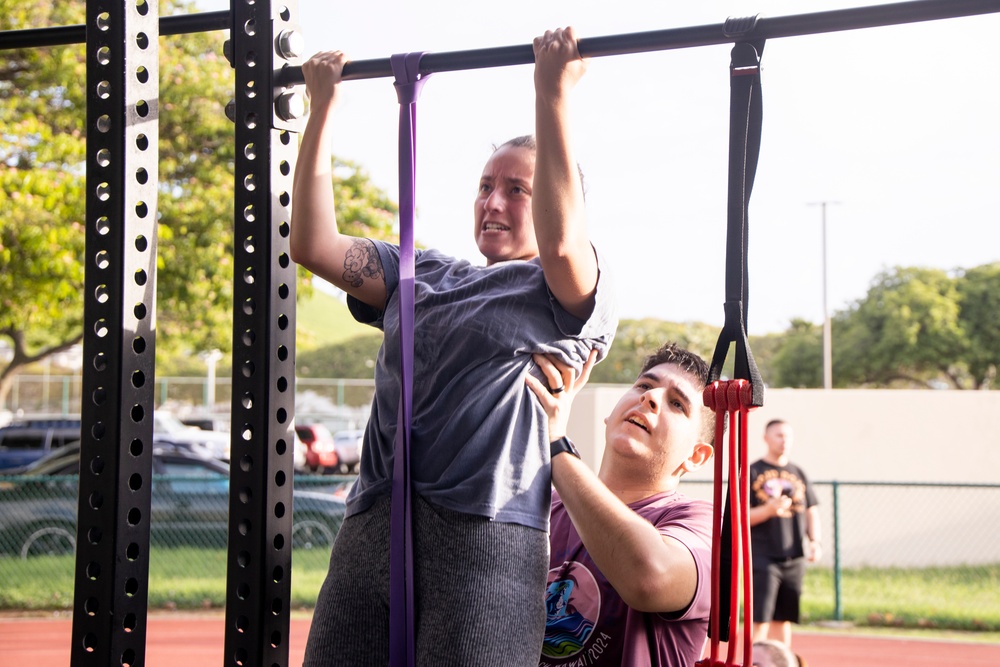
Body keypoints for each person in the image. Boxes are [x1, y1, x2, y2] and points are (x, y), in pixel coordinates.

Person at [291, 27, 618, 667]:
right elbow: (313, 245)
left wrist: (551, 93)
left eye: (517, 189)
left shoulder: (566, 292)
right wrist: (321, 106)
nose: (492, 201)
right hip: (372, 526)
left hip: (486, 536)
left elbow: (559, 243)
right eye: (484, 185)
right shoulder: (419, 273)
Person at [525, 342, 716, 667]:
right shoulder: (543, 504)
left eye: (677, 404)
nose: (650, 398)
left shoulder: (701, 523)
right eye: (644, 385)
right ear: (610, 414)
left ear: (696, 456)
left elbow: (649, 578)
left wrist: (556, 443)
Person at [748, 419, 821, 647]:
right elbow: (740, 518)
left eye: (788, 436)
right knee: (761, 618)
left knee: (784, 618)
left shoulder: (798, 472)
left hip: (793, 556)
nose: (784, 441)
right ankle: (753, 661)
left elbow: (811, 511)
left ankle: (782, 661)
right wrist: (768, 510)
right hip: (763, 557)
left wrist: (815, 541)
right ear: (766, 438)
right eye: (778, 435)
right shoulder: (753, 471)